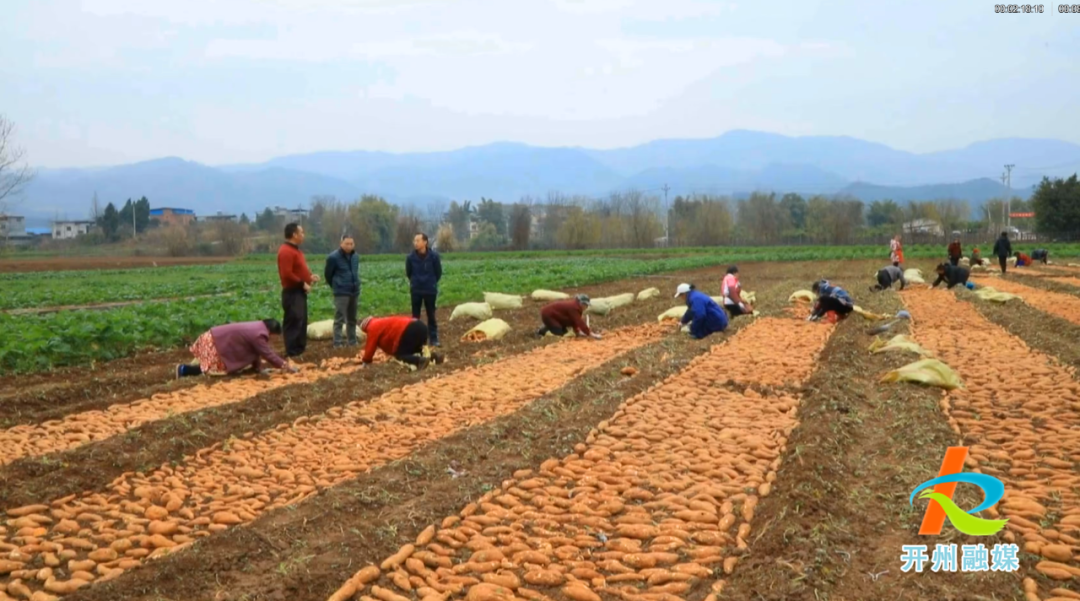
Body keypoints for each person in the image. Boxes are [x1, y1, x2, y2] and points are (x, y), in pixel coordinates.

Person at [176, 319, 298, 378]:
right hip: (214, 342)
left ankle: (186, 369)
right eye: (273, 336)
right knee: (215, 369)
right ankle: (184, 370)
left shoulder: (257, 327)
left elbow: (255, 352)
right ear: (271, 331)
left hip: (214, 338)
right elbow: (267, 353)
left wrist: (258, 369)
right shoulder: (258, 334)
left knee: (214, 367)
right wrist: (285, 365)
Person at [277, 223, 319, 358]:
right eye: (301, 232)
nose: (303, 235)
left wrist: (310, 277)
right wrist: (302, 284)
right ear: (294, 235)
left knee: (301, 319)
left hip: (299, 292)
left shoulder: (297, 251)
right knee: (294, 320)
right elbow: (287, 274)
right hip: (292, 292)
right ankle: (292, 350)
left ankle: (300, 349)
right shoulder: (285, 251)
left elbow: (299, 269)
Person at [358, 315, 443, 369]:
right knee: (415, 349)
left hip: (408, 329)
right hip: (419, 325)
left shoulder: (372, 327)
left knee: (401, 355)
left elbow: (370, 346)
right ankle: (433, 357)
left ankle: (419, 361)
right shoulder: (382, 321)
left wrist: (366, 361)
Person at [406, 232, 443, 347]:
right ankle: (415, 340)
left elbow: (438, 272)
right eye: (414, 241)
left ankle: (433, 338)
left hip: (429, 290)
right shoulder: (410, 258)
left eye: (418, 241)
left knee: (431, 314)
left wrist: (431, 282)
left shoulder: (434, 256)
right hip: (416, 289)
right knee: (415, 316)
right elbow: (409, 273)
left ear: (425, 242)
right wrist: (415, 282)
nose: (415, 243)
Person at [324, 234, 361, 348]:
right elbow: (328, 275)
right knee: (339, 318)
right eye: (347, 244)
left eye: (351, 244)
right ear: (341, 244)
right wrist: (336, 285)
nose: (349, 246)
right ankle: (337, 343)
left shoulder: (355, 257)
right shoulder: (333, 257)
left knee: (352, 318)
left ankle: (352, 341)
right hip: (341, 292)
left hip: (354, 291)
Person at [537, 294, 602, 339]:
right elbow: (579, 321)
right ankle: (542, 331)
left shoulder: (577, 307)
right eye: (585, 305)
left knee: (565, 332)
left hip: (557, 316)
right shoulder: (574, 307)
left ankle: (548, 327)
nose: (586, 307)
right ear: (582, 303)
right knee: (559, 334)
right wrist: (590, 333)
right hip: (548, 314)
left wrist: (577, 331)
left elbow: (574, 321)